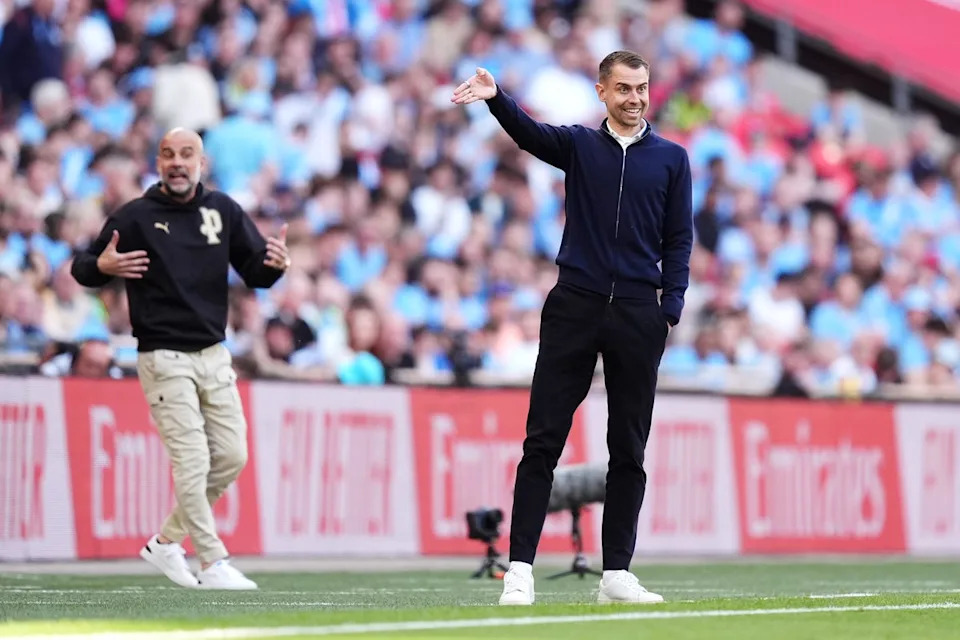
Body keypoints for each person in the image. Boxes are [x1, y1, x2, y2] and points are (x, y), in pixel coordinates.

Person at [452, 51, 693, 605]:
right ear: (601, 92)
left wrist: (670, 307)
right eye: (624, 88)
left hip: (639, 313)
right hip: (574, 306)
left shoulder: (672, 159)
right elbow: (529, 135)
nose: (635, 98)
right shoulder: (581, 146)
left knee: (628, 448)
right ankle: (519, 570)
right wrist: (496, 98)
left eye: (642, 88)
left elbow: (679, 237)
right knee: (542, 442)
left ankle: (617, 574)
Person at [71, 128, 291, 590]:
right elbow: (83, 266)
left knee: (231, 455)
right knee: (192, 460)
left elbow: (255, 271)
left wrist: (274, 266)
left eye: (186, 154)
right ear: (158, 163)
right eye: (168, 154)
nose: (177, 162)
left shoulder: (222, 210)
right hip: (163, 356)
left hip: (213, 354)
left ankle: (166, 542)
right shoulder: (135, 216)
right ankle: (212, 562)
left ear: (201, 163)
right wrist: (101, 267)